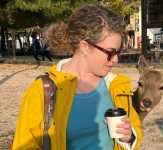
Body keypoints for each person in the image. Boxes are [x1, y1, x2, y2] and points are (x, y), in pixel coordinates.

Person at [12, 5, 142, 150]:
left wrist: (129, 137)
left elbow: (134, 131)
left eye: (119, 52)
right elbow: (24, 145)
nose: (116, 60)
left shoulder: (118, 86)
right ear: (85, 46)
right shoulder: (43, 91)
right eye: (111, 52)